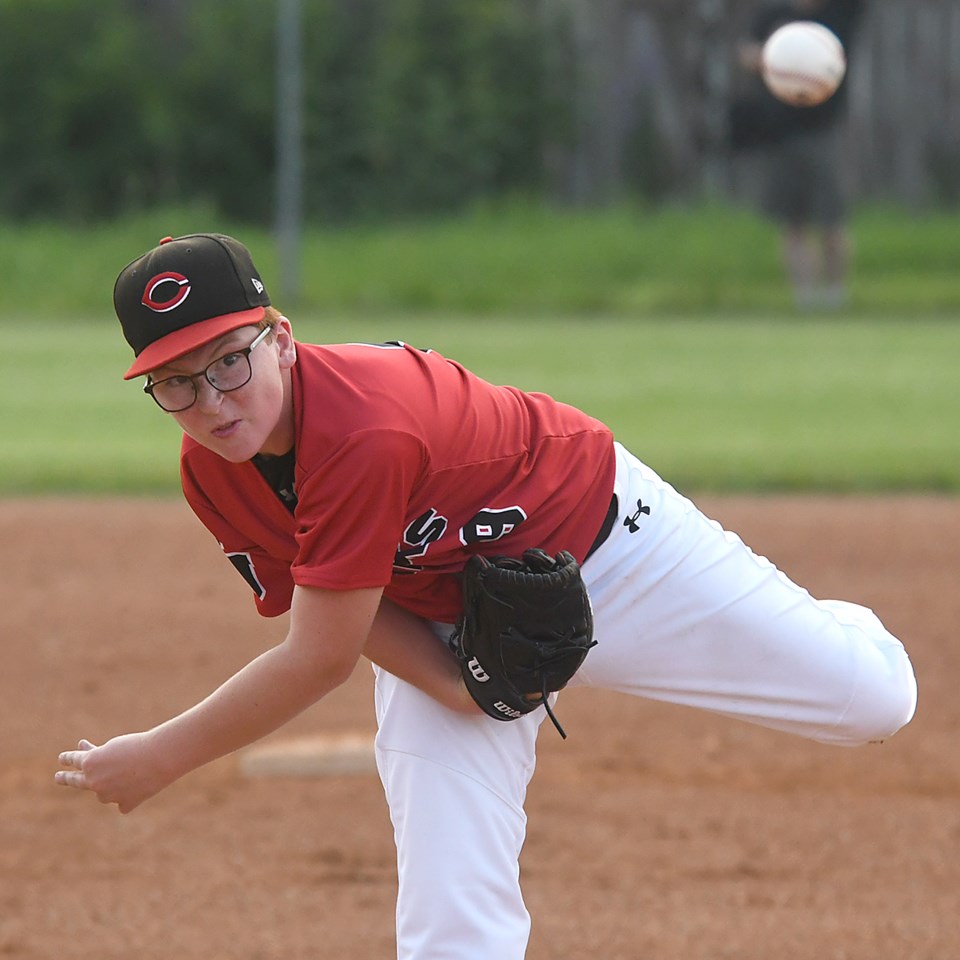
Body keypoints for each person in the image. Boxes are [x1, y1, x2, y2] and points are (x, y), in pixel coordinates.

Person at [57, 233, 917, 959]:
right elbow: (345, 619)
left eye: (229, 362)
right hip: (442, 620)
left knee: (875, 700)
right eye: (176, 381)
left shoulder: (365, 429)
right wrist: (460, 686)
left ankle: (835, 629)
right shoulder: (213, 475)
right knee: (452, 920)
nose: (212, 403)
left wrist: (161, 755)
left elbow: (314, 660)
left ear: (281, 337)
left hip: (611, 546)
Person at [735, 0, 866, 310]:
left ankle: (836, 296)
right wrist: (764, 57)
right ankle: (804, 299)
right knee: (793, 225)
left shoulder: (839, 12)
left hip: (824, 132)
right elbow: (745, 52)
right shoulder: (772, 15)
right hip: (779, 134)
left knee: (832, 222)